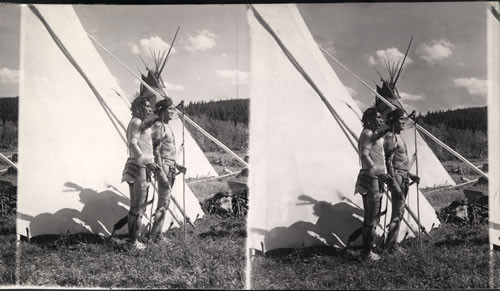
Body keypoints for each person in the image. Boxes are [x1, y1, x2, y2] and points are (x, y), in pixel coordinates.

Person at [122, 96, 161, 250]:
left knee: (137, 206)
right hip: (139, 166)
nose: (149, 109)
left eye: (150, 107)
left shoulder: (138, 122)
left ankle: (132, 240)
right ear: (138, 107)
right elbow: (132, 143)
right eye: (146, 107)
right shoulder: (137, 122)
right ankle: (132, 242)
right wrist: (147, 162)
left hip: (139, 165)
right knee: (138, 206)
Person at [355, 107, 391, 261]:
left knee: (372, 216)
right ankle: (367, 253)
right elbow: (364, 155)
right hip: (372, 178)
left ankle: (368, 249)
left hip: (373, 178)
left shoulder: (371, 134)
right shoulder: (368, 133)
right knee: (371, 217)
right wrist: (378, 172)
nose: (380, 120)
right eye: (377, 117)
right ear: (369, 119)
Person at [150, 97, 187, 242]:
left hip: (170, 166)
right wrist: (161, 173)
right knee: (163, 202)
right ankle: (154, 237)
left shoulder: (167, 126)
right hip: (164, 167)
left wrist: (177, 166)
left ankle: (157, 234)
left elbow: (168, 151)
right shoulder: (159, 126)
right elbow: (156, 151)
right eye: (170, 109)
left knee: (165, 202)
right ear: (162, 111)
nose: (173, 112)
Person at [383, 108, 420, 253]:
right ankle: (388, 248)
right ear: (393, 121)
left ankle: (393, 245)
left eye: (404, 119)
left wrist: (410, 175)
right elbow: (389, 162)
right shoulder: (390, 138)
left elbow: (401, 162)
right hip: (397, 177)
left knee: (400, 212)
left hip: (403, 176)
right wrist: (394, 183)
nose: (403, 122)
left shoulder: (399, 137)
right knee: (397, 213)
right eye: (400, 119)